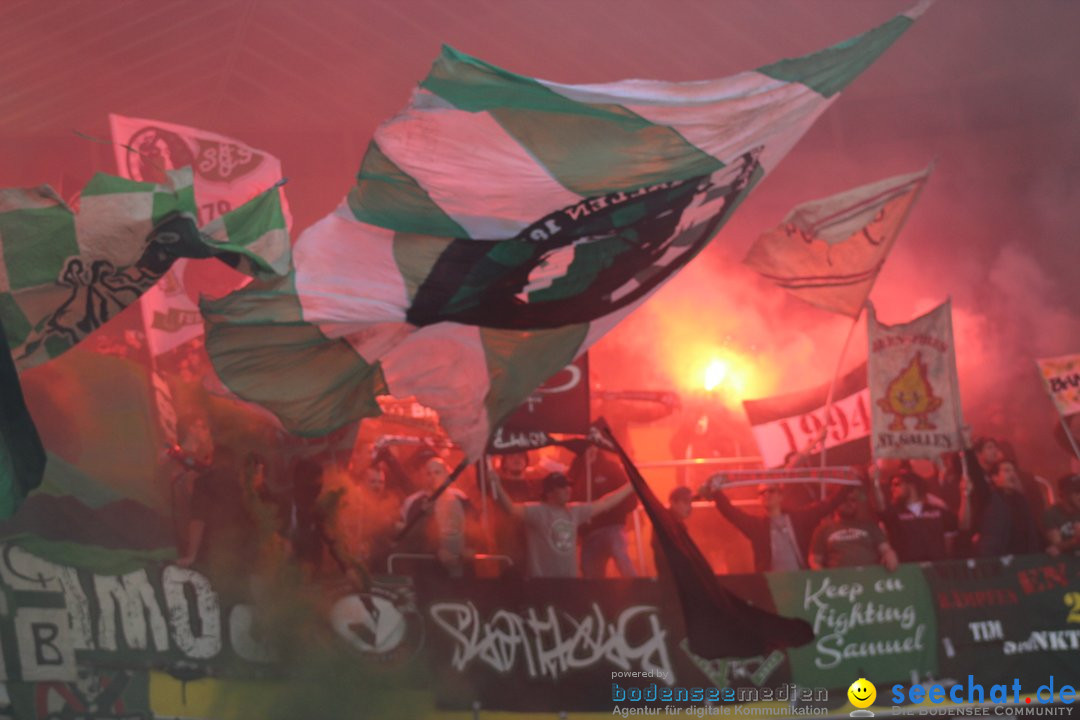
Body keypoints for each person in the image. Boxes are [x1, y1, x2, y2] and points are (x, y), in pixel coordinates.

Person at [490, 470, 635, 578]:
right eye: (562, 486)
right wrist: (496, 485)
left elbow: (605, 502)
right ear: (549, 492)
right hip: (542, 584)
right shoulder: (536, 511)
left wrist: (632, 485)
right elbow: (510, 508)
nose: (568, 489)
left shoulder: (574, 511)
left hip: (569, 582)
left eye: (568, 486)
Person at [701, 476, 847, 573]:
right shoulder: (757, 526)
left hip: (801, 580)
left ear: (780, 496)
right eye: (762, 493)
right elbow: (732, 514)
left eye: (771, 491)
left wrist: (850, 485)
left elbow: (828, 504)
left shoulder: (799, 519)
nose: (766, 495)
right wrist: (717, 495)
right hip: (773, 585)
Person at [570, 445, 639, 578]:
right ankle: (597, 597)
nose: (589, 447)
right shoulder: (575, 471)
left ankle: (638, 590)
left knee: (620, 555)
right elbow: (570, 501)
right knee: (589, 573)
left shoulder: (612, 468)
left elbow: (631, 501)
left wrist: (613, 512)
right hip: (588, 534)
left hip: (613, 527)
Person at [961, 459, 1042, 556]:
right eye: (1007, 471)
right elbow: (965, 524)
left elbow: (1032, 529)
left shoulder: (1022, 500)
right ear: (995, 477)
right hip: (996, 560)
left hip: (1022, 560)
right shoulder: (988, 498)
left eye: (1013, 471)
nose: (1012, 474)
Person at [874, 471, 957, 563]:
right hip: (907, 569)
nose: (892, 489)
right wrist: (875, 483)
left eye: (896, 484)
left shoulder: (939, 511)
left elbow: (950, 541)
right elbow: (880, 508)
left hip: (936, 569)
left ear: (911, 485)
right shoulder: (893, 513)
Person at [810, 489, 898, 570]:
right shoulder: (823, 529)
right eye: (844, 500)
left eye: (853, 500)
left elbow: (885, 549)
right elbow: (815, 560)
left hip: (870, 577)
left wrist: (890, 555)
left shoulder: (870, 526)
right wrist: (825, 578)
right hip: (839, 581)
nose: (849, 503)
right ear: (835, 503)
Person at [652, 486, 693, 579]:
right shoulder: (666, 523)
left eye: (691, 502)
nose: (690, 507)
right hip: (672, 577)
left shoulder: (676, 523)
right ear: (673, 502)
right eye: (686, 502)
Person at [1044, 473, 1080, 557]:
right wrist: (1076, 540)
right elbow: (1056, 546)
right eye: (1077, 491)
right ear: (1064, 494)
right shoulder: (1051, 515)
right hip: (1067, 566)